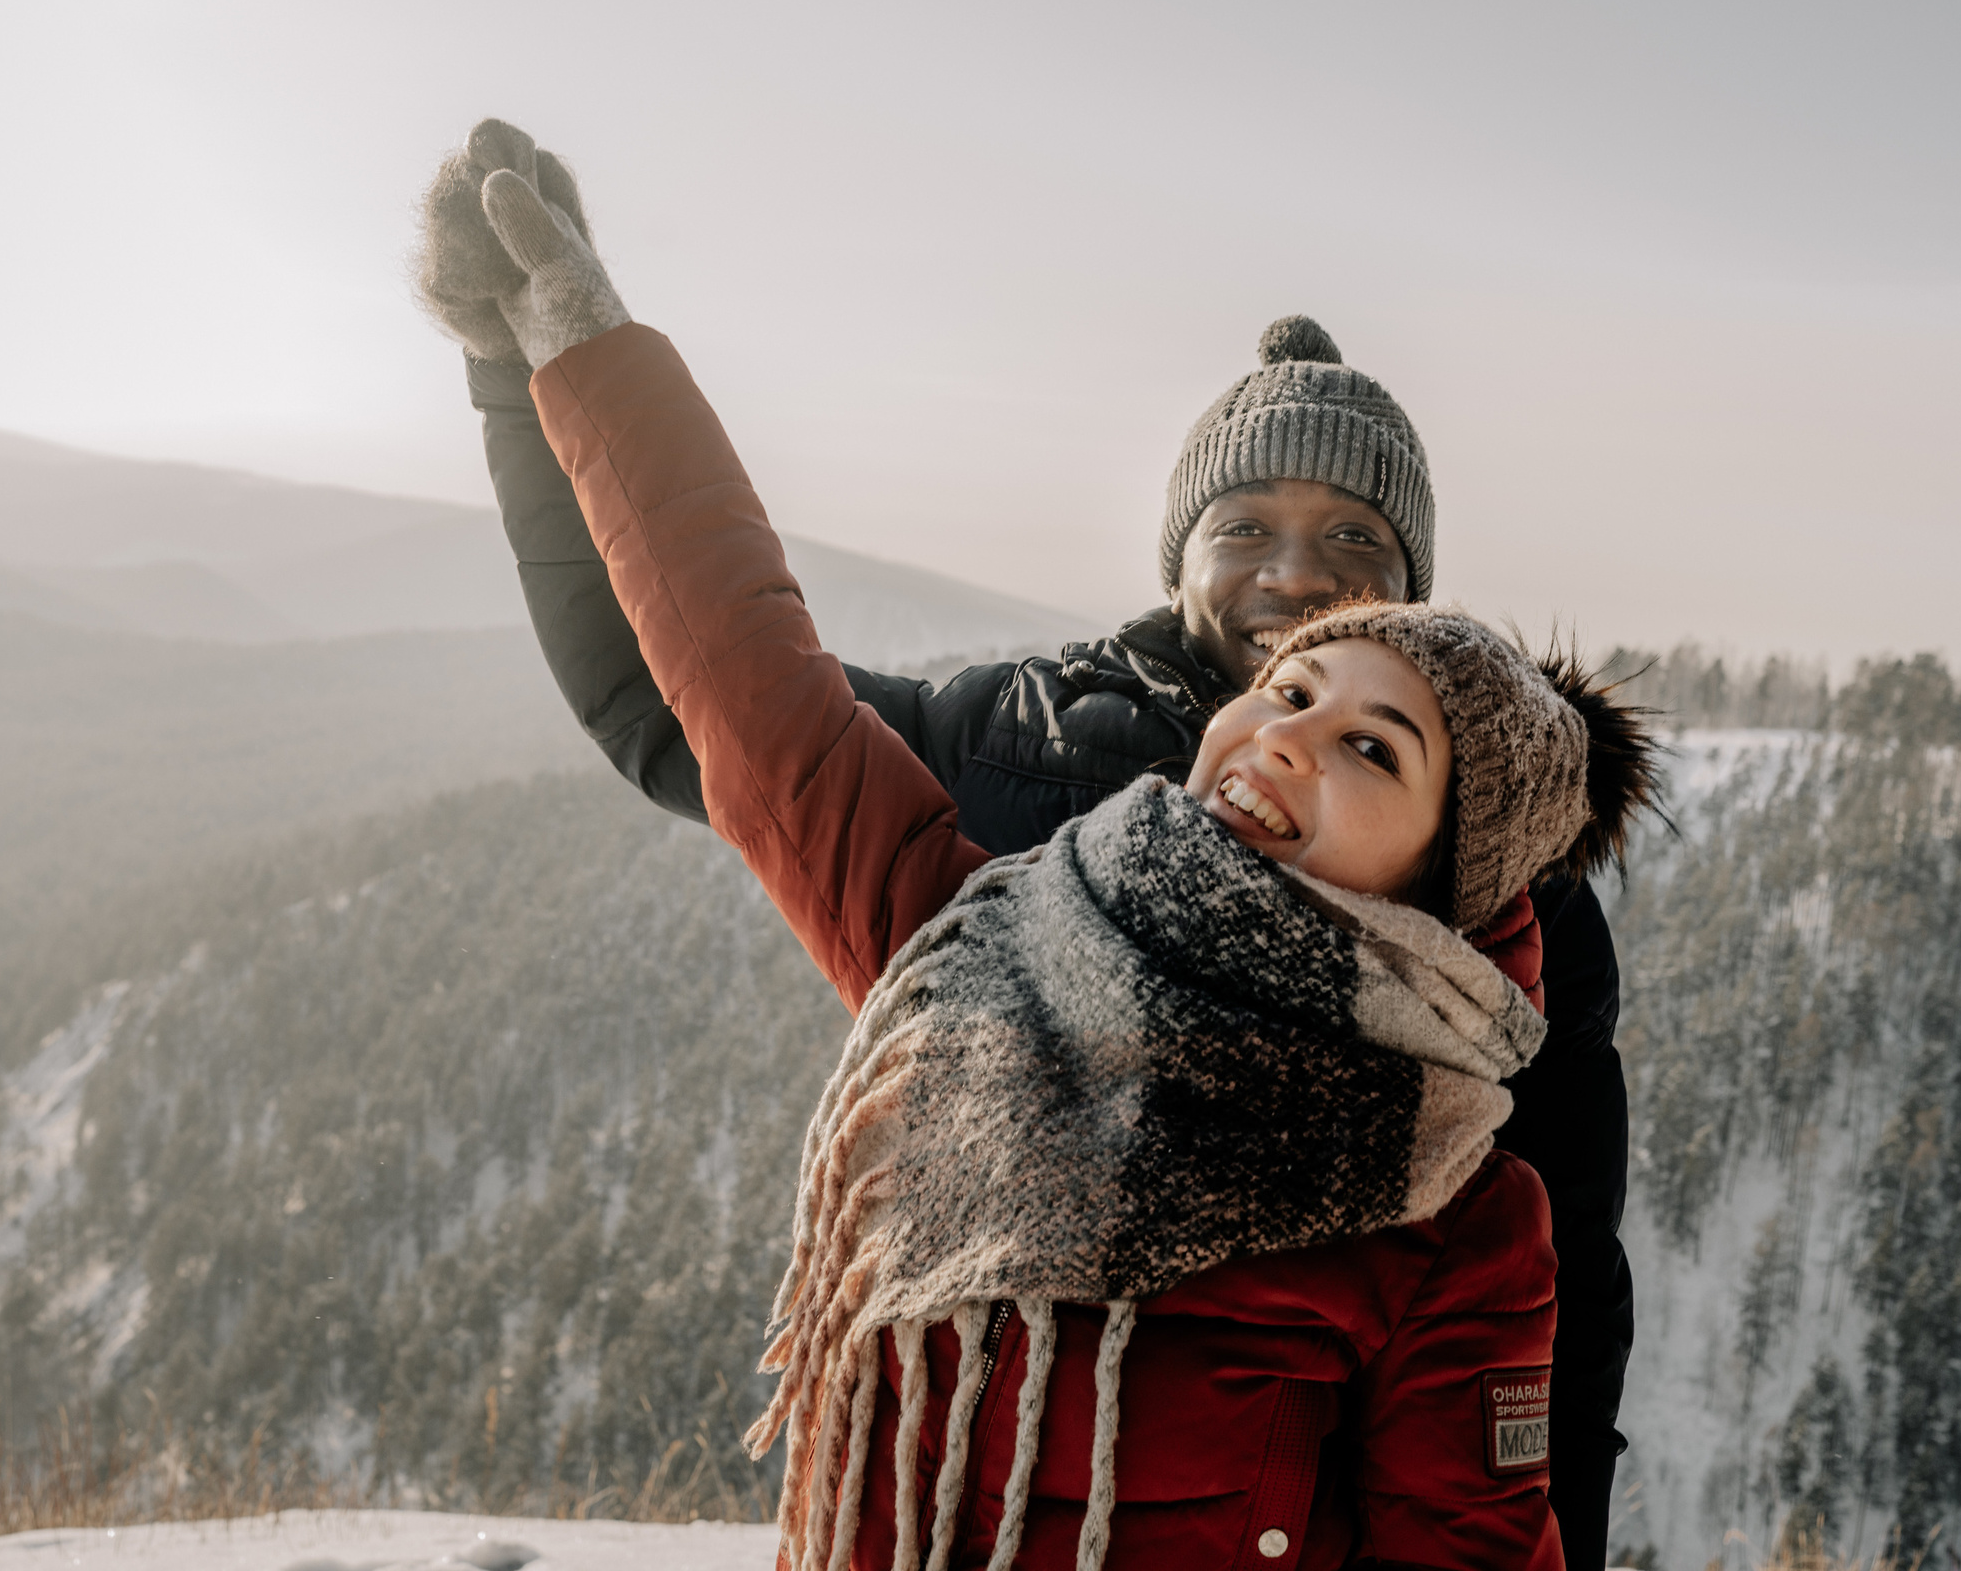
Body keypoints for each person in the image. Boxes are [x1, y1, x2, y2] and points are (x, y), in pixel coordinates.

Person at [419, 121, 1636, 1565]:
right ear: (1179, 553)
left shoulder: (1482, 1057)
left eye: (1355, 543)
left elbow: (1535, 1371)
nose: (1296, 577)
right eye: (1245, 523)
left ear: (1456, 862)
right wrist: (543, 363)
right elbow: (715, 696)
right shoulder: (1008, 792)